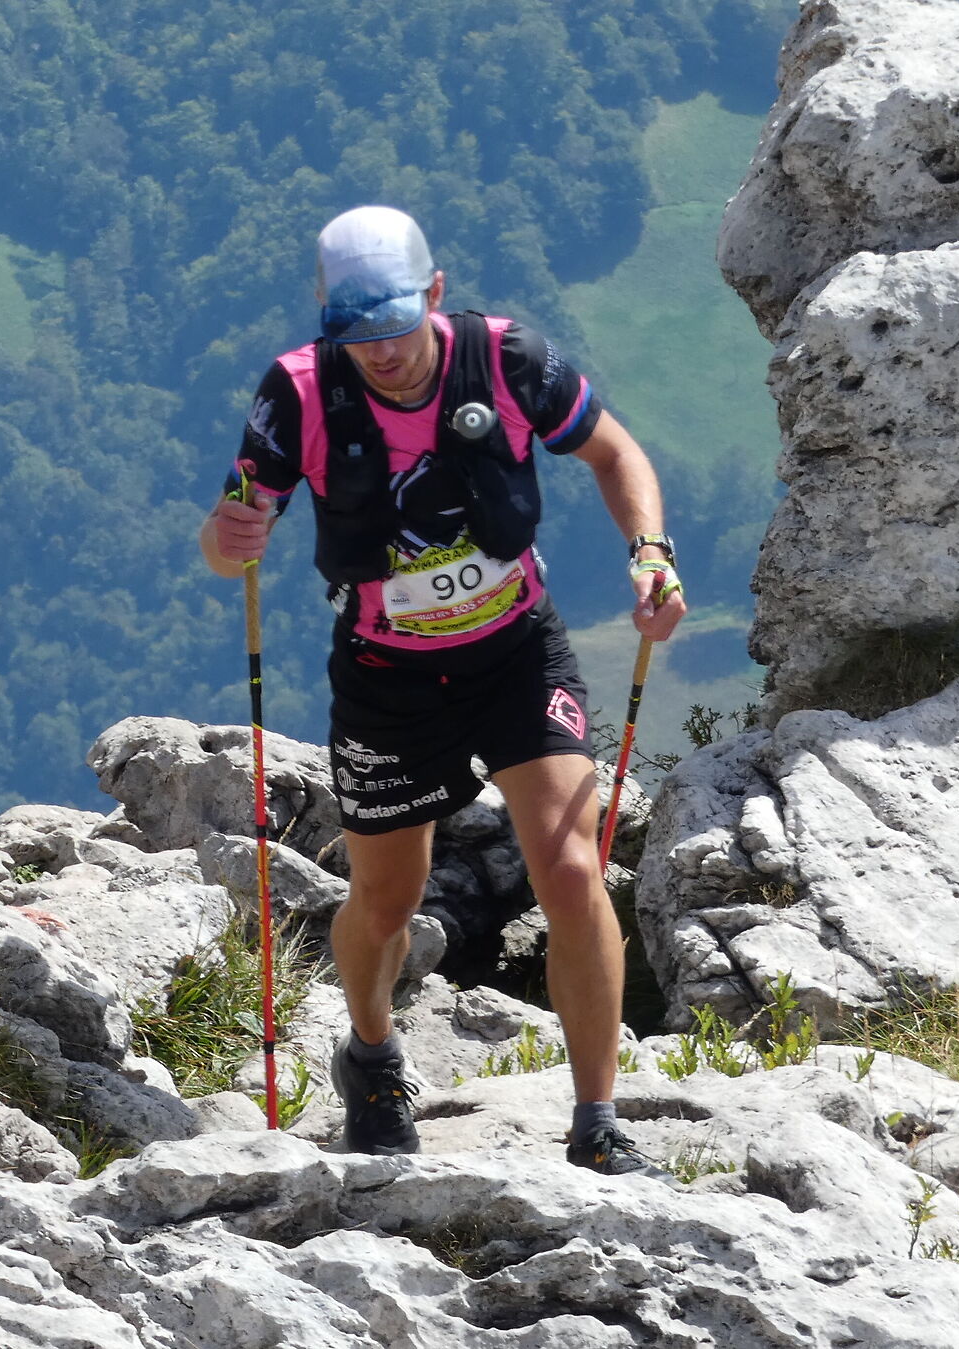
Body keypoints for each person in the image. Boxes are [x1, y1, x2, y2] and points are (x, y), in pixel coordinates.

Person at [199, 205, 688, 1175]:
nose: (380, 352)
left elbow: (615, 453)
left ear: (433, 292)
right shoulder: (299, 392)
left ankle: (598, 1120)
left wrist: (650, 553)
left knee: (571, 869)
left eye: (395, 325)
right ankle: (372, 1053)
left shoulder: (509, 360)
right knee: (388, 899)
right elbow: (228, 537)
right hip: (388, 676)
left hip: (518, 650)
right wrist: (229, 536)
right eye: (356, 332)